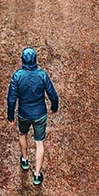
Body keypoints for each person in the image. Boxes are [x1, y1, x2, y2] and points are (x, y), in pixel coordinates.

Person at [6, 47, 59, 186]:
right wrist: (54, 107)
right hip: (40, 114)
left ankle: (24, 159)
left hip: (24, 113)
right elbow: (53, 94)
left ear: (22, 60)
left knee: (22, 134)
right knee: (39, 142)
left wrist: (10, 116)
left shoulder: (17, 76)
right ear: (35, 60)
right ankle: (37, 175)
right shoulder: (42, 75)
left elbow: (11, 99)